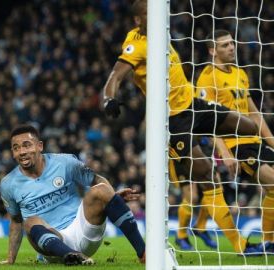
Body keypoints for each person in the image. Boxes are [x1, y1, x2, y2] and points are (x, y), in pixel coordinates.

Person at [102, 0, 271, 255]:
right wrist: (109, 99)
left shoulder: (163, 34)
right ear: (139, 20)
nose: (159, 16)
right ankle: (238, 245)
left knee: (247, 126)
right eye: (149, 13)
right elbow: (114, 76)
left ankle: (233, 156)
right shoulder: (136, 44)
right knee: (205, 178)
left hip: (194, 105)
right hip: (174, 119)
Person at [0, 124, 145, 266]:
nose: (22, 151)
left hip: (83, 229)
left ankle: (143, 253)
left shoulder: (65, 162)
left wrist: (112, 199)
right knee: (29, 221)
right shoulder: (8, 184)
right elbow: (16, 221)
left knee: (101, 189)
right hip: (52, 245)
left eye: (27, 145)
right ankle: (72, 255)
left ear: (39, 146)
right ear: (13, 153)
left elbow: (97, 180)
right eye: (16, 148)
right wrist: (10, 258)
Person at [197, 29, 274, 242]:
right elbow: (206, 121)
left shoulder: (240, 74)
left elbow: (255, 114)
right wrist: (224, 152)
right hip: (235, 145)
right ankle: (268, 242)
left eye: (231, 43)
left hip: (254, 142)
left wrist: (272, 143)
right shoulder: (207, 77)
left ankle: (269, 242)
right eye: (224, 45)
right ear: (213, 50)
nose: (231, 47)